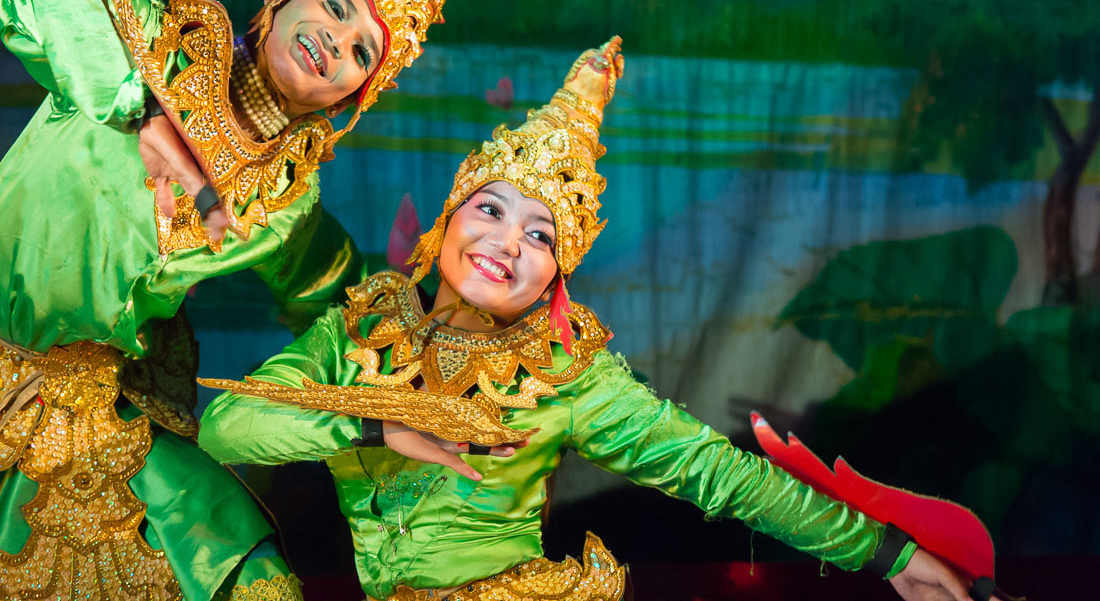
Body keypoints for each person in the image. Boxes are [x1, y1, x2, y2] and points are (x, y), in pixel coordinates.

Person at [199, 38, 980, 601]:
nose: (507, 243)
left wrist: (887, 556)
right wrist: (379, 426)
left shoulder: (565, 372)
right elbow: (227, 427)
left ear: (555, 277)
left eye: (540, 235)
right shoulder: (360, 330)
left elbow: (719, 473)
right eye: (493, 209)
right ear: (449, 217)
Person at [0, 0, 513, 601]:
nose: (338, 42)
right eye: (337, 9)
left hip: (93, 410)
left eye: (363, 52)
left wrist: (433, 380)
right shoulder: (155, 43)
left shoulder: (286, 202)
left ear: (348, 100)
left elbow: (337, 301)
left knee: (245, 571)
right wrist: (140, 111)